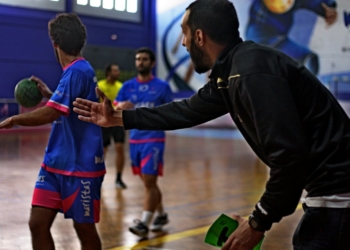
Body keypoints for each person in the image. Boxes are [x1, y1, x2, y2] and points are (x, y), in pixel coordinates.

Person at [73, 0, 350, 249]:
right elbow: (185, 111)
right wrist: (118, 118)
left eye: (184, 33)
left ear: (199, 36)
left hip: (339, 195)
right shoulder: (231, 72)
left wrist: (257, 222)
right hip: (329, 193)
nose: (182, 43)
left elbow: (289, 157)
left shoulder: (250, 73)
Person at [0, 13, 105, 250]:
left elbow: (51, 113)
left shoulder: (77, 71)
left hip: (81, 168)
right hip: (55, 164)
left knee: (84, 230)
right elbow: (64, 105)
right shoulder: (74, 72)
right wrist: (50, 95)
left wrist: (14, 119)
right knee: (37, 223)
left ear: (54, 44)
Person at [115, 47, 173, 238]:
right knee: (150, 183)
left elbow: (172, 113)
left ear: (152, 63)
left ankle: (144, 224)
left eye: (145, 59)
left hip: (154, 139)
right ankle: (162, 215)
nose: (141, 62)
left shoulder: (162, 87)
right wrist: (119, 106)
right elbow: (115, 106)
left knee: (149, 181)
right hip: (134, 140)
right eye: (138, 59)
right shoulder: (127, 87)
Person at [246, 0, 338, 75]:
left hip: (280, 40)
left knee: (309, 59)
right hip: (259, 40)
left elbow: (309, 2)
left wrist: (327, 7)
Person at [98, 63, 127, 189]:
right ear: (109, 73)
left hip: (118, 121)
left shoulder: (121, 87)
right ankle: (98, 178)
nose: (118, 72)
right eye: (115, 70)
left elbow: (123, 103)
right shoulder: (100, 85)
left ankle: (119, 178)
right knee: (102, 150)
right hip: (104, 122)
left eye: (118, 70)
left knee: (119, 147)